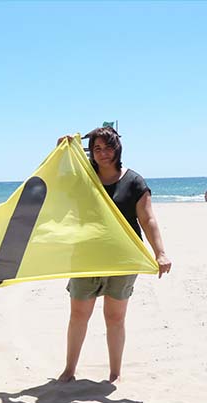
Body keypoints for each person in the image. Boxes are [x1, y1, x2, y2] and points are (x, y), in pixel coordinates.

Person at [57, 126, 171, 383]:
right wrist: (62, 150)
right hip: (86, 258)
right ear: (91, 152)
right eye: (97, 148)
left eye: (108, 147)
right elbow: (58, 181)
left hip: (122, 259)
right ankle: (69, 370)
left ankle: (115, 373)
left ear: (117, 148)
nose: (103, 153)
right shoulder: (84, 178)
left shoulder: (134, 181)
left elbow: (148, 219)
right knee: (78, 315)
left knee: (115, 317)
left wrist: (160, 253)